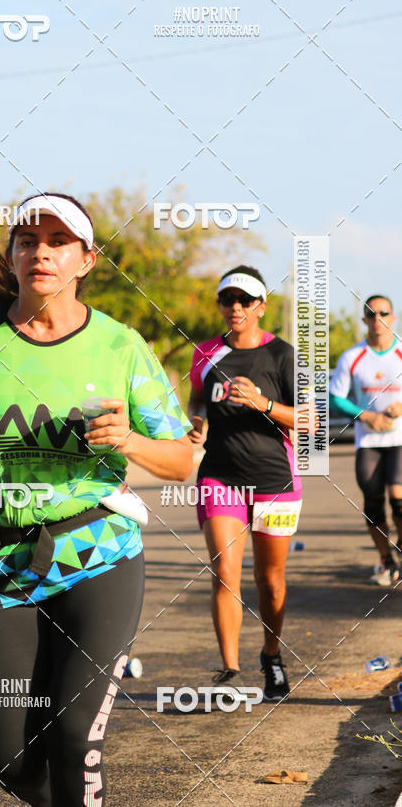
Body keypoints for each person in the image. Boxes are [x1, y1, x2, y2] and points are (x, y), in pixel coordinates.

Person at [0, 193, 193, 807]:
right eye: (27, 241)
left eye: (59, 242)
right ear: (11, 256)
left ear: (86, 260)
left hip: (97, 551)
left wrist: (131, 439)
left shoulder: (121, 346)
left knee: (71, 735)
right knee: (9, 757)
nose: (41, 252)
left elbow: (183, 459)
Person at [187, 266, 302, 702]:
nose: (235, 307)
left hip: (274, 478)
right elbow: (198, 396)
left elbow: (309, 419)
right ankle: (230, 672)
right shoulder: (205, 353)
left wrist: (264, 403)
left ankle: (271, 655)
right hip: (221, 476)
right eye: (227, 300)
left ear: (261, 307)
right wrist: (196, 421)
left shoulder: (283, 355)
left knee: (269, 580)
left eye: (244, 300)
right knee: (225, 572)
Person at [329, 294, 402, 586]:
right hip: (369, 441)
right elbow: (335, 398)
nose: (377, 319)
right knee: (373, 503)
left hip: (399, 439)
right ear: (364, 321)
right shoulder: (352, 357)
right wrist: (368, 416)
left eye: (383, 313)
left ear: (392, 318)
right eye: (371, 314)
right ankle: (387, 560)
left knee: (399, 500)